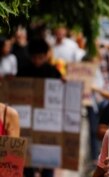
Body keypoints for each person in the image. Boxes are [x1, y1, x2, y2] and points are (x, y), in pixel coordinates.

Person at [17, 38, 61, 177]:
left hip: (48, 123)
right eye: (34, 58)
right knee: (27, 161)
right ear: (30, 56)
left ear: (46, 55)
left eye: (40, 58)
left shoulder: (53, 72)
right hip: (27, 122)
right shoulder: (23, 70)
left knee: (48, 161)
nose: (37, 61)